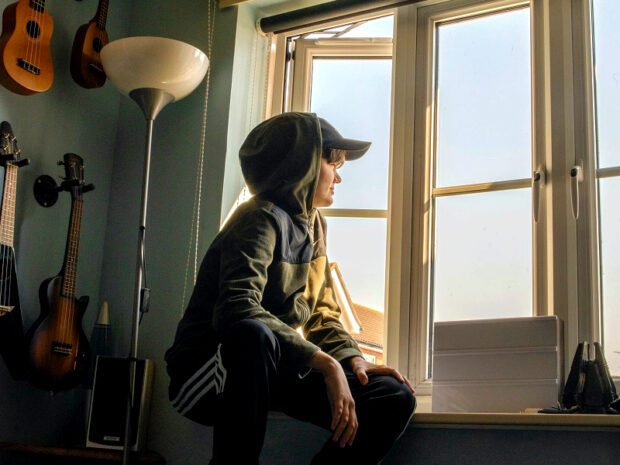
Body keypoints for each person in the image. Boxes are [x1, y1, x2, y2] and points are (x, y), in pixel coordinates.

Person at [165, 112, 415, 465]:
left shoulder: (315, 225)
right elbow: (237, 307)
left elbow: (323, 314)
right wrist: (326, 364)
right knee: (253, 334)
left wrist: (353, 360)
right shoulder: (258, 218)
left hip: (272, 365)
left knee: (394, 396)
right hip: (206, 372)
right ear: (304, 164)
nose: (339, 176)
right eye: (333, 162)